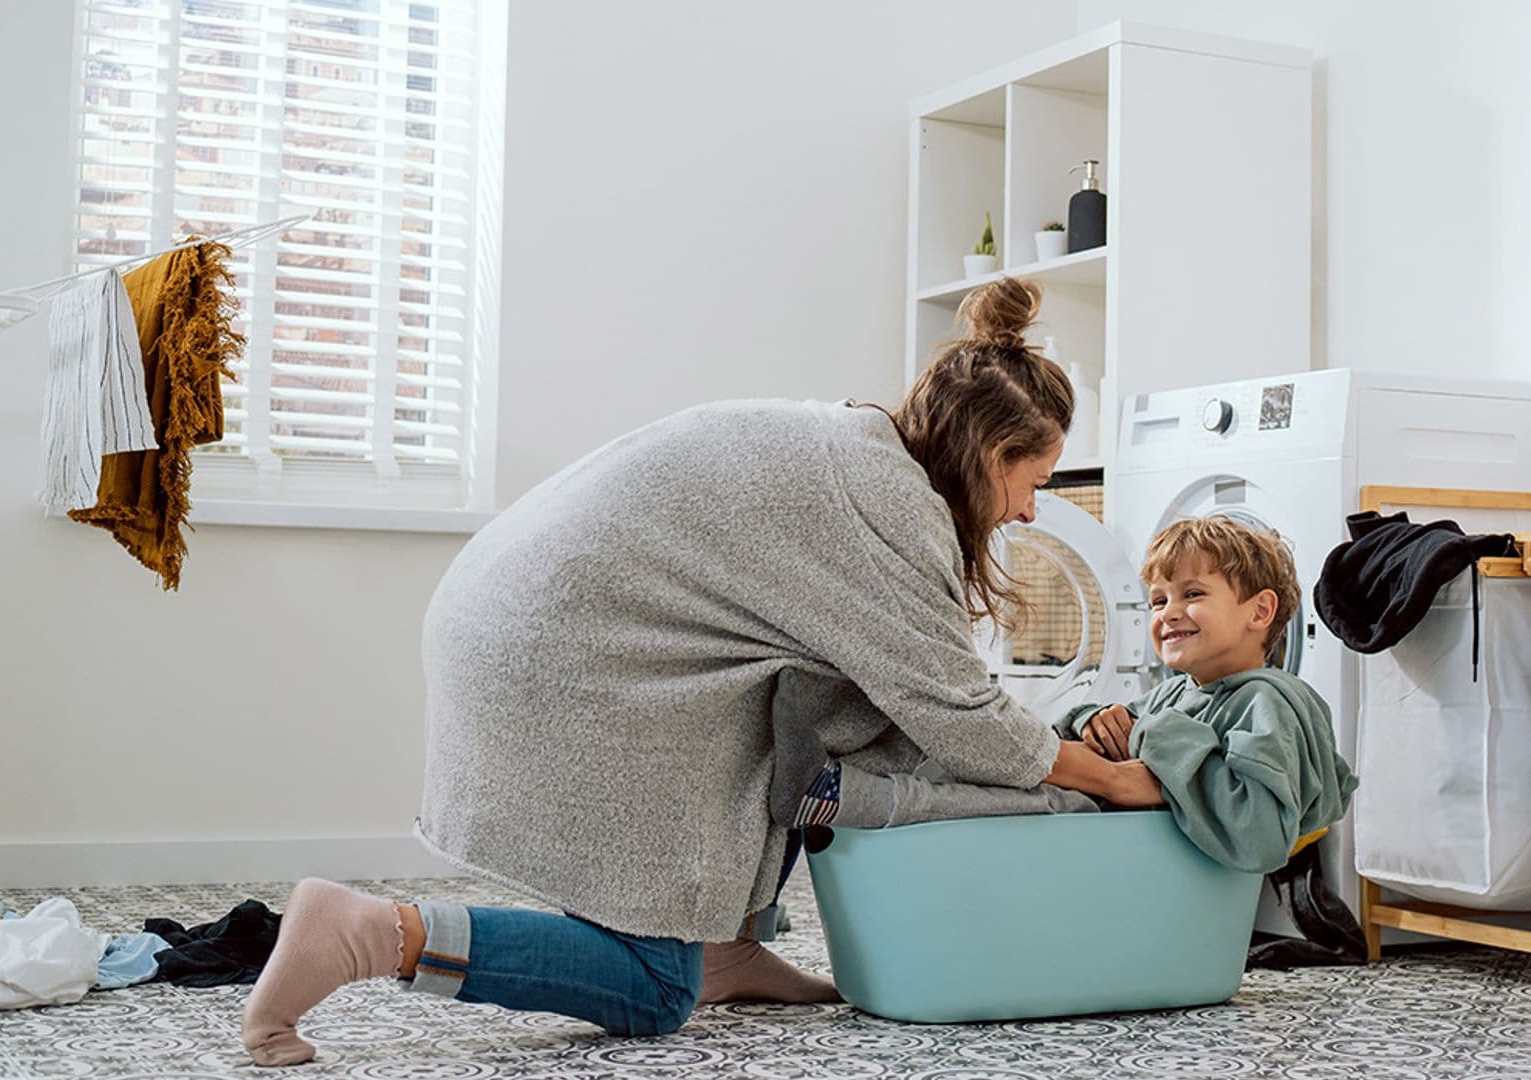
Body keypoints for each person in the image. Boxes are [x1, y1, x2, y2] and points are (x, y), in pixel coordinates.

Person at [237, 277, 1165, 1067]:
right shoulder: (890, 509)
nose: (1033, 512)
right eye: (1033, 482)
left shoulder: (862, 449)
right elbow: (961, 715)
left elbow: (873, 700)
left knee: (821, 712)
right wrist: (1108, 778)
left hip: (528, 619)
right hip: (564, 662)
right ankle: (368, 933)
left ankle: (725, 949)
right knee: (648, 988)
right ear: (986, 457)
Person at [1058, 516, 1357, 874]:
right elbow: (1127, 729)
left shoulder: (1266, 704)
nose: (1168, 613)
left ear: (1260, 611)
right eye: (1157, 601)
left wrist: (1153, 738)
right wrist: (1092, 719)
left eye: (1193, 593)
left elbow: (1261, 838)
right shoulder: (1172, 694)